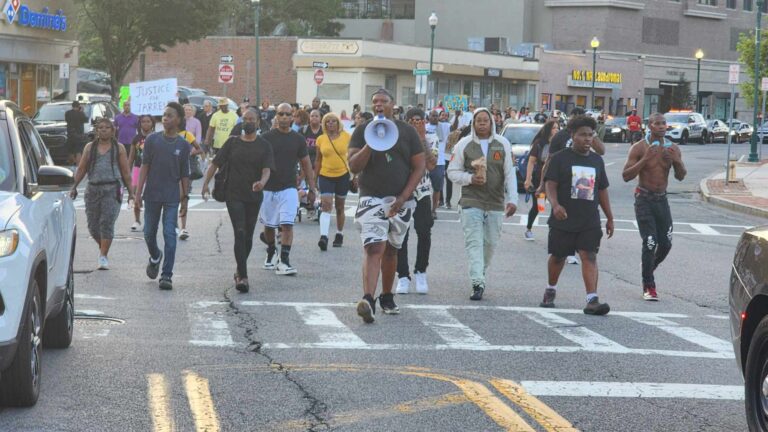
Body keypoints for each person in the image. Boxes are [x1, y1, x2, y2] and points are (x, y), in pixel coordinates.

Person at [348, 88, 425, 323]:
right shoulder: (362, 131)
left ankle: (387, 295)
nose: (379, 105)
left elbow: (419, 167)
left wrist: (403, 197)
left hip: (400, 199)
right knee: (374, 247)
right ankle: (368, 299)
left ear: (393, 105)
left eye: (383, 101)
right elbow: (353, 166)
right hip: (371, 197)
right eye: (375, 102)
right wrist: (371, 143)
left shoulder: (407, 132)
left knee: (392, 249)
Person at [540, 115, 614, 315]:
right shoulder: (560, 158)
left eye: (591, 135)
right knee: (558, 257)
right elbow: (550, 185)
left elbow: (602, 190)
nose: (588, 139)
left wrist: (609, 217)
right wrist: (555, 205)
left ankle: (592, 300)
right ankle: (551, 289)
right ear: (572, 135)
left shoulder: (596, 161)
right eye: (583, 135)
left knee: (589, 255)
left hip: (589, 219)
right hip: (563, 218)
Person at [448, 108, 518, 301]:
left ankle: (480, 272)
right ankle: (477, 283)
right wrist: (470, 178)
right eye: (478, 120)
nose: (481, 123)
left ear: (491, 123)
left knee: (490, 244)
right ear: (473, 123)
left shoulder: (502, 144)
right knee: (474, 242)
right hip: (471, 201)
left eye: (485, 120)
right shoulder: (464, 144)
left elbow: (510, 174)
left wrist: (513, 200)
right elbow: (452, 172)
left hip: (495, 202)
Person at [201, 108, 274, 293]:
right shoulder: (232, 143)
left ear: (258, 123)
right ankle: (243, 276)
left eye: (252, 119)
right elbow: (216, 163)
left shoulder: (264, 145)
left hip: (254, 195)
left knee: (248, 236)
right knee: (239, 232)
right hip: (234, 195)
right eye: (245, 119)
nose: (248, 121)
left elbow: (267, 169)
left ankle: (239, 270)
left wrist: (262, 182)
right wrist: (205, 184)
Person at [622, 113, 687, 301]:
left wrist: (677, 161)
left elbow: (681, 176)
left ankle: (649, 268)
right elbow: (625, 176)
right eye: (657, 124)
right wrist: (645, 159)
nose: (661, 126)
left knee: (665, 244)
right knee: (650, 242)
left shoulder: (673, 148)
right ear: (649, 126)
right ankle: (648, 285)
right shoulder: (639, 147)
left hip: (662, 200)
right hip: (644, 199)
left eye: (663, 123)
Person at [135, 102, 191, 291]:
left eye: (170, 115)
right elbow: (144, 167)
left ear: (179, 120)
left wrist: (185, 200)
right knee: (148, 233)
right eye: (164, 115)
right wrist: (137, 193)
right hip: (152, 195)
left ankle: (166, 275)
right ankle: (155, 256)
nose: (165, 118)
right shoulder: (152, 140)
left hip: (172, 197)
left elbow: (185, 175)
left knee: (169, 234)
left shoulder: (183, 145)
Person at [259, 103, 316, 276]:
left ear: (293, 117)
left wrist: (312, 188)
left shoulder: (298, 139)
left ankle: (284, 260)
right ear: (276, 116)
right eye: (280, 114)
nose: (284, 117)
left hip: (289, 187)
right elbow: (258, 162)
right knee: (269, 225)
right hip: (268, 188)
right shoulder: (266, 138)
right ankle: (271, 251)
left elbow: (306, 163)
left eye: (287, 114)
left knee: (287, 224)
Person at [69, 118, 133, 270]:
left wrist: (132, 193)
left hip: (112, 188)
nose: (103, 130)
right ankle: (103, 246)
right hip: (93, 189)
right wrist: (74, 186)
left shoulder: (119, 148)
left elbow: (125, 172)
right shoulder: (89, 147)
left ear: (112, 130)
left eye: (107, 127)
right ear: (96, 131)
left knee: (107, 222)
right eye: (100, 128)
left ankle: (103, 256)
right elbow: (82, 168)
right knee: (93, 226)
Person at [396, 108, 437, 295]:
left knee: (424, 231)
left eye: (419, 119)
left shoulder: (432, 138)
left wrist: (421, 139)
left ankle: (421, 271)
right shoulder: (398, 138)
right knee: (400, 234)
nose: (415, 123)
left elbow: (431, 165)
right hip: (403, 190)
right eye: (411, 120)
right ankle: (402, 275)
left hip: (422, 191)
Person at [314, 112, 352, 250]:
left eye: (333, 121)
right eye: (327, 121)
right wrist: (314, 178)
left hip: (342, 175)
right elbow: (318, 160)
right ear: (324, 124)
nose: (330, 123)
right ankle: (323, 236)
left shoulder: (347, 137)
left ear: (338, 123)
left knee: (340, 207)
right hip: (325, 175)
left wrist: (356, 174)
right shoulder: (321, 139)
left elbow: (352, 156)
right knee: (326, 205)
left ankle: (339, 233)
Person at [523, 120, 560, 240]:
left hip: (557, 179)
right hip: (541, 180)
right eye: (554, 128)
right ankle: (528, 229)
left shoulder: (560, 143)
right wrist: (528, 179)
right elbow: (531, 161)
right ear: (549, 130)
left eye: (558, 128)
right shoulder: (540, 143)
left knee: (558, 205)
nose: (556, 130)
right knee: (539, 206)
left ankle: (555, 231)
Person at [128, 114, 154, 232]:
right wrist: (127, 172)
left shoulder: (156, 137)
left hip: (153, 169)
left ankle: (149, 221)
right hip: (138, 168)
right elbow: (131, 156)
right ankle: (137, 220)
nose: (146, 124)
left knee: (150, 195)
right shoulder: (136, 139)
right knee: (135, 193)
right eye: (143, 121)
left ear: (152, 123)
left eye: (148, 121)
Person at [426, 109, 450, 217]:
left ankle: (433, 210)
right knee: (423, 188)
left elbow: (453, 128)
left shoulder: (443, 127)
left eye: (436, 116)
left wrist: (458, 116)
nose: (435, 117)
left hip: (439, 163)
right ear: (429, 117)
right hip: (425, 163)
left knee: (437, 188)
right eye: (433, 115)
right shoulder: (424, 127)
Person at [65, 100, 88, 165]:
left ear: (72, 106)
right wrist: (82, 111)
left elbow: (67, 120)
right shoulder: (81, 113)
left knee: (71, 151)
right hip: (79, 135)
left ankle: (71, 164)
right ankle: (78, 165)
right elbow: (86, 120)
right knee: (78, 151)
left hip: (70, 134)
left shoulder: (67, 113)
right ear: (78, 106)